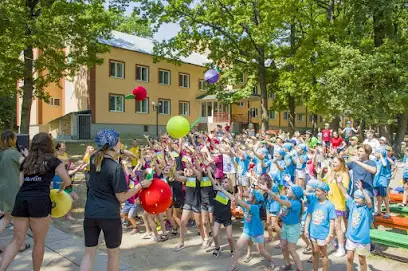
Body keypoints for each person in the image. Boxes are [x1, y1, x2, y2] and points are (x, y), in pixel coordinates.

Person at [79, 129, 152, 271]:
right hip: (109, 215)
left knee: (88, 254)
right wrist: (139, 186)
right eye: (119, 141)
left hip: (90, 213)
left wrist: (124, 152)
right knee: (113, 255)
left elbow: (104, 152)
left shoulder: (94, 159)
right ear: (112, 145)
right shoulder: (116, 168)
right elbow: (122, 196)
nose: (121, 144)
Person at [0, 133, 72, 271]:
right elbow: (67, 181)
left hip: (21, 199)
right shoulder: (54, 161)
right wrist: (61, 188)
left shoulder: (26, 161)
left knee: (16, 240)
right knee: (39, 242)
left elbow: (21, 183)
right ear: (49, 145)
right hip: (40, 201)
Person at [217, 184, 276, 271]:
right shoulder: (246, 203)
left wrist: (223, 190)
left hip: (257, 232)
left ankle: (272, 261)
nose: (248, 195)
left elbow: (237, 200)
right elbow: (234, 199)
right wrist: (222, 190)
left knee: (261, 251)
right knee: (238, 247)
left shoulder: (255, 207)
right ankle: (233, 266)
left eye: (250, 195)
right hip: (247, 231)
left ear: (255, 199)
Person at [0, 130, 30, 254]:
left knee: (7, 217)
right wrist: (27, 155)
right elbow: (27, 164)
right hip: (13, 189)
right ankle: (20, 245)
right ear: (12, 139)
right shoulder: (13, 153)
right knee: (19, 217)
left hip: (3, 188)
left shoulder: (1, 153)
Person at [337, 180, 373, 271]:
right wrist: (339, 183)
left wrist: (362, 190)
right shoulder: (352, 204)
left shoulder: (367, 209)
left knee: (361, 260)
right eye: (355, 197)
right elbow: (345, 193)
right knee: (349, 257)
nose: (355, 199)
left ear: (363, 200)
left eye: (358, 198)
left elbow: (369, 202)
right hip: (351, 237)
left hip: (362, 239)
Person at [304, 182, 336, 271]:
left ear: (325, 192)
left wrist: (330, 235)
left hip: (323, 234)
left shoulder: (330, 205)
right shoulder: (313, 202)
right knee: (314, 252)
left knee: (323, 254)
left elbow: (332, 221)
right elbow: (309, 216)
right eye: (315, 190)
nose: (315, 192)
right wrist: (306, 229)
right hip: (313, 232)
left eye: (318, 191)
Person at [326, 157, 350, 257]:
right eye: (333, 162)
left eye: (335, 162)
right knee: (329, 225)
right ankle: (332, 244)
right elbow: (325, 185)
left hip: (338, 204)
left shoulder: (344, 174)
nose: (333, 163)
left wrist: (339, 182)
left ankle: (341, 248)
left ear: (341, 164)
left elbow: (345, 191)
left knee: (337, 226)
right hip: (328, 203)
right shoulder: (330, 173)